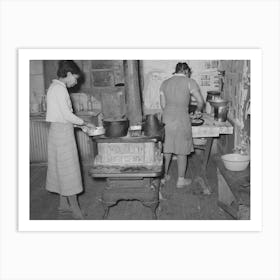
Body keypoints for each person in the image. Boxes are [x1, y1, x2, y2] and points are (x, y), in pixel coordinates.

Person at [45, 60, 94, 219]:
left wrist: (79, 126)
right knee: (69, 172)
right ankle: (75, 210)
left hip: (58, 131)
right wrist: (84, 122)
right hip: (62, 135)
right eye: (75, 78)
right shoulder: (60, 90)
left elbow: (61, 117)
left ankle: (63, 205)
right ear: (68, 74)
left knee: (61, 170)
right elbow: (66, 115)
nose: (76, 81)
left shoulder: (54, 88)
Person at [159, 62, 204, 188]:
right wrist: (198, 111)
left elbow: (163, 105)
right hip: (181, 119)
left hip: (166, 119)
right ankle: (180, 180)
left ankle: (163, 177)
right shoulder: (190, 82)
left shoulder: (164, 83)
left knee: (166, 149)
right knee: (182, 150)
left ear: (176, 71)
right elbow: (200, 101)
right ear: (186, 71)